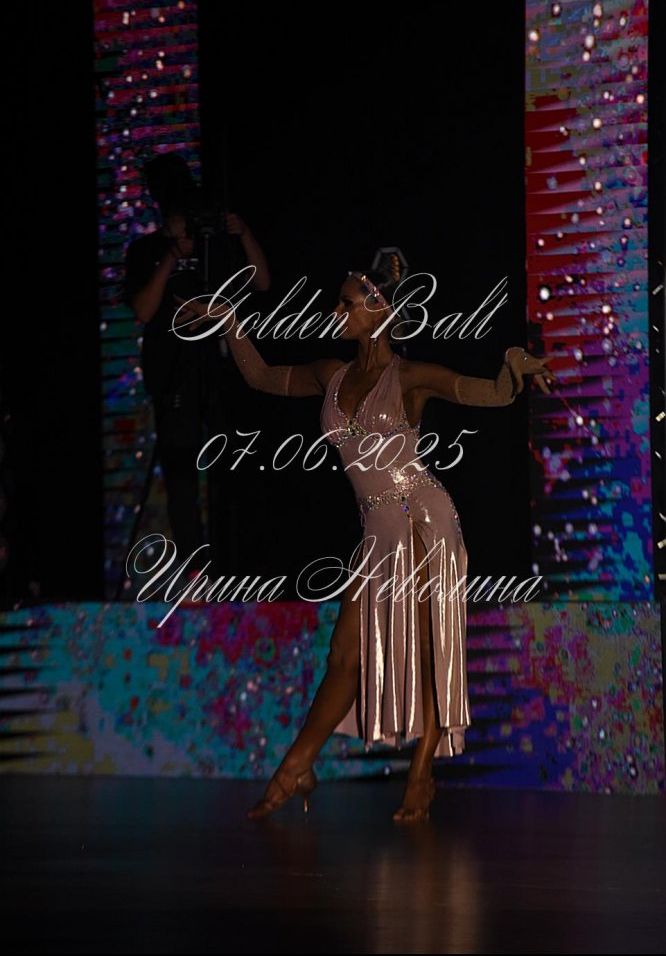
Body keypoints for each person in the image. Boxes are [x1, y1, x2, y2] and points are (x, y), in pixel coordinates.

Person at [177, 268, 557, 822]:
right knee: (344, 654)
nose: (337, 312)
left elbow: (492, 394)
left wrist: (511, 368)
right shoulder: (330, 374)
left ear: (381, 310)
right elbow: (260, 376)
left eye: (347, 303)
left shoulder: (411, 376)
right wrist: (229, 320)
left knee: (427, 647)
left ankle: (421, 773)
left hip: (422, 518)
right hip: (376, 528)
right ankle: (298, 766)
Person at [123, 152, 271, 577]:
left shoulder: (212, 242)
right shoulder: (146, 249)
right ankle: (194, 574)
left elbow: (261, 282)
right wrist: (171, 256)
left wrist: (243, 233)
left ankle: (235, 566)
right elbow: (144, 310)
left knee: (231, 468)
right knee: (182, 478)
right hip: (172, 375)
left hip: (219, 371)